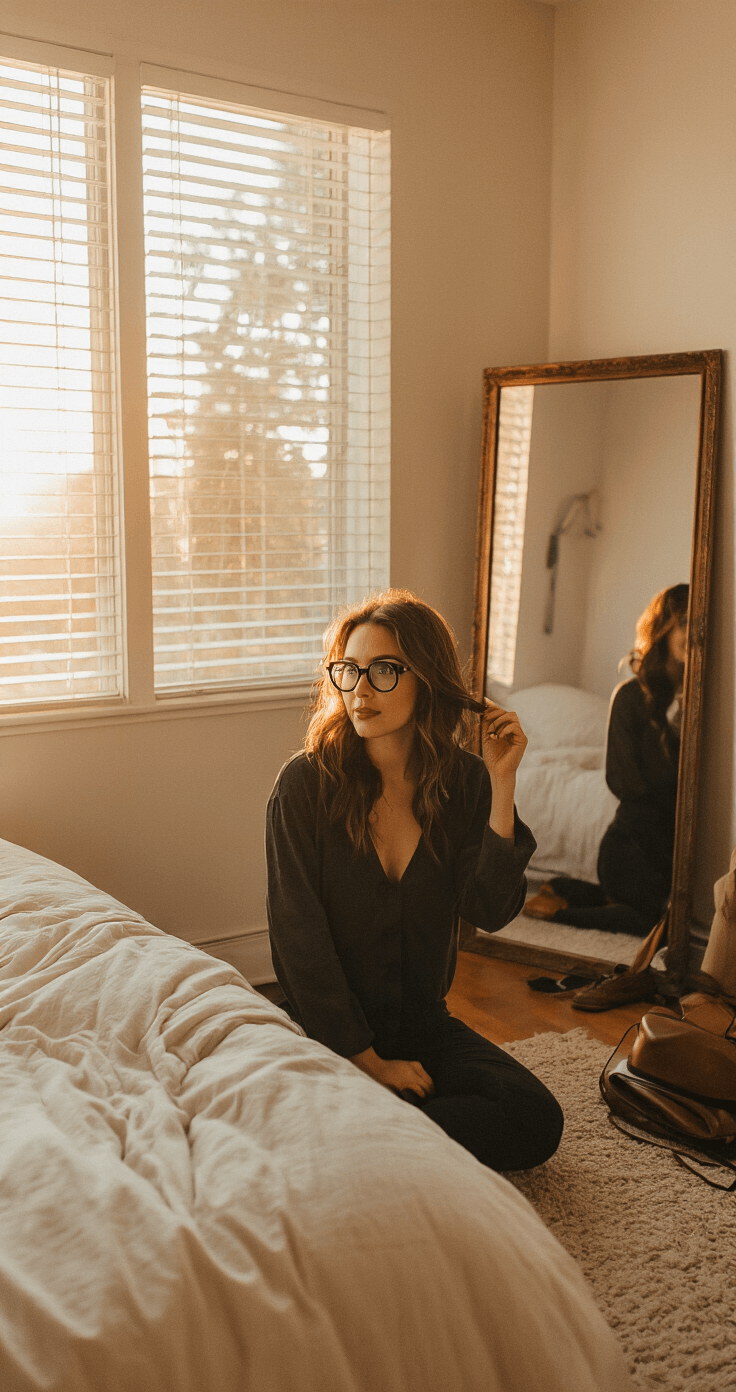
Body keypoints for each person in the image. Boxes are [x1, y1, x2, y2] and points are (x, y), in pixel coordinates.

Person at [266, 589, 563, 1172]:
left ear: (426, 678)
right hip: (328, 1030)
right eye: (349, 670)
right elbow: (299, 940)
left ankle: (356, 1139)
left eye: (383, 670)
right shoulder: (304, 784)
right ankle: (368, 1122)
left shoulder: (465, 782)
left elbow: (490, 907)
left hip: (422, 1023)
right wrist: (368, 1062)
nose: (360, 690)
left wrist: (503, 787)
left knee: (536, 1118)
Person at [528, 582, 689, 937]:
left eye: (699, 624)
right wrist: (676, 732)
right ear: (664, 628)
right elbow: (624, 784)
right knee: (658, 924)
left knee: (682, 921)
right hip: (630, 849)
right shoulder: (630, 697)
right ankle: (560, 914)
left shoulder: (706, 700)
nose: (693, 634)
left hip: (673, 852)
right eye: (684, 622)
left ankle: (567, 889)